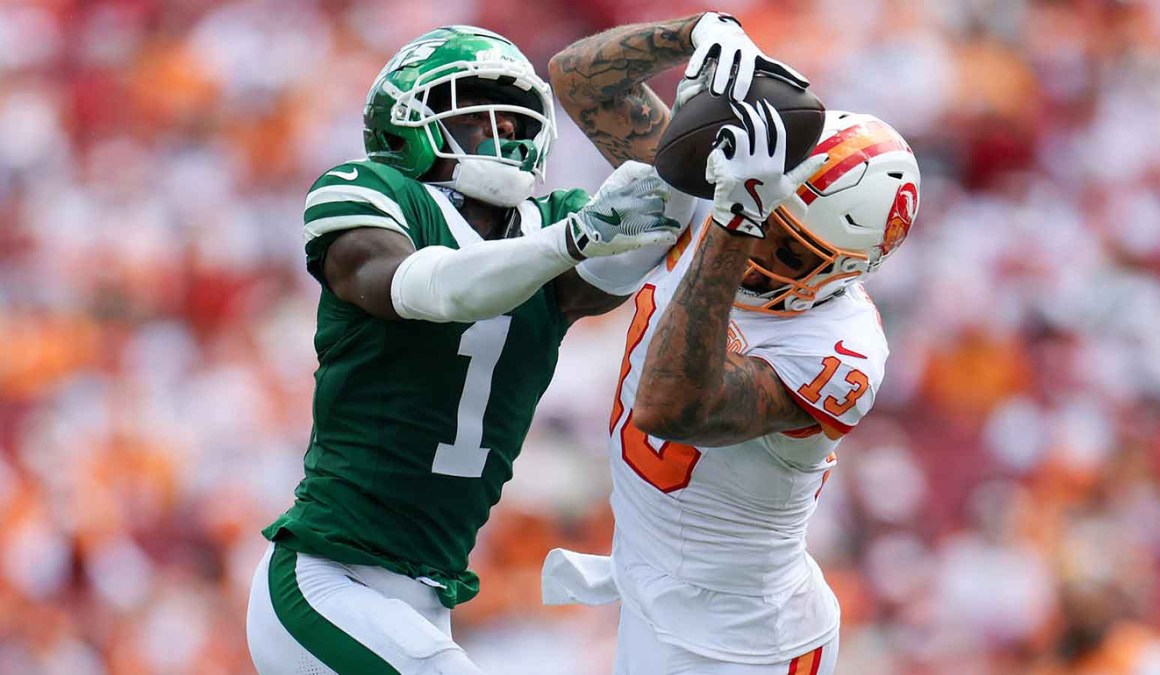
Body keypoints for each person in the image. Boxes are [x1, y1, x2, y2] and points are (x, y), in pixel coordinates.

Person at [245, 25, 691, 675]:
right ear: (408, 122)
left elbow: (666, 223)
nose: (506, 129)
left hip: (428, 595)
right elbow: (429, 288)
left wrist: (711, 136)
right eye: (480, 109)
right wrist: (571, 238)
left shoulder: (551, 224)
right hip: (327, 581)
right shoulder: (370, 193)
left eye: (518, 116)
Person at [542, 13, 921, 674]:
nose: (760, 251)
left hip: (747, 644)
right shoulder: (721, 200)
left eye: (790, 248)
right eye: (767, 221)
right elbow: (575, 79)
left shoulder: (843, 349)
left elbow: (672, 409)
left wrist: (737, 218)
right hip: (657, 597)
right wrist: (692, 33)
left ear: (847, 269)